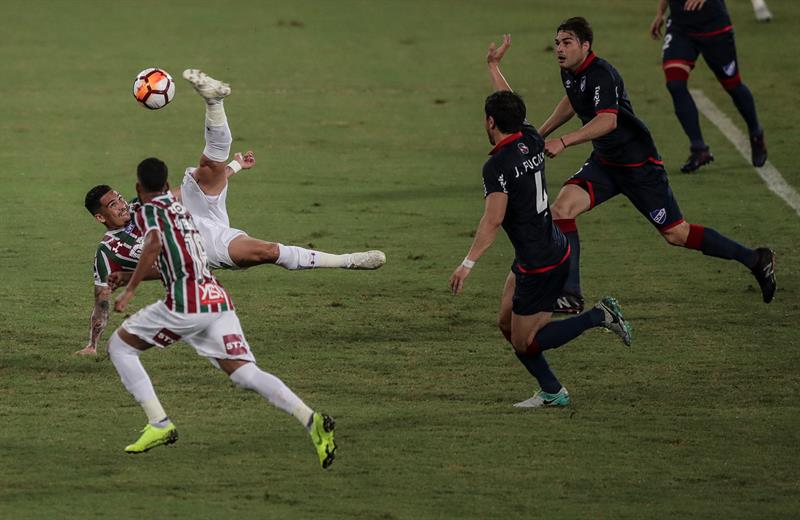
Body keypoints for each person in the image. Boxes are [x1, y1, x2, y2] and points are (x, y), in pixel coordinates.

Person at [76, 69, 385, 356]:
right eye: (113, 205)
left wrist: (235, 166)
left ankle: (214, 101)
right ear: (100, 217)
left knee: (209, 167)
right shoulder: (108, 251)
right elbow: (102, 300)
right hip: (202, 246)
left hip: (196, 214)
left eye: (119, 198)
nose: (122, 205)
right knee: (268, 252)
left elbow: (186, 193)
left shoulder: (141, 204)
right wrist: (92, 344)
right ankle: (349, 261)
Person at [485, 19, 775, 316]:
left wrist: (564, 140)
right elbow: (572, 101)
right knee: (562, 209)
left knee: (677, 234)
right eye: (557, 42)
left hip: (638, 167)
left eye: (567, 42)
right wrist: (541, 133)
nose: (559, 48)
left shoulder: (602, 74)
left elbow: (608, 120)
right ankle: (570, 293)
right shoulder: (570, 72)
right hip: (605, 164)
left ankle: (755, 259)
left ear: (585, 46)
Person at [108, 158, 337, 468]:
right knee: (244, 373)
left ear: (138, 188)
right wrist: (129, 276)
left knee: (120, 347)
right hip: (215, 298)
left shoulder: (148, 211)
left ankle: (159, 423)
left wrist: (130, 288)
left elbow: (152, 246)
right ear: (167, 185)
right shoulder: (181, 211)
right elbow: (178, 259)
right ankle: (311, 420)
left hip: (186, 303)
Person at [448, 89, 632, 408]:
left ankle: (599, 316)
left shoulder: (496, 166)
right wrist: (493, 68)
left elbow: (493, 220)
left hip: (540, 264)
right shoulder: (531, 137)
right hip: (543, 250)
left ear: (490, 122)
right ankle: (552, 390)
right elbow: (510, 103)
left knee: (526, 342)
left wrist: (467, 264)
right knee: (506, 324)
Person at [650, 0, 767, 172]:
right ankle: (699, 149)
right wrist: (660, 12)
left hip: (713, 26)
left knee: (732, 85)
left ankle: (756, 133)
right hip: (680, 27)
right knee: (675, 84)